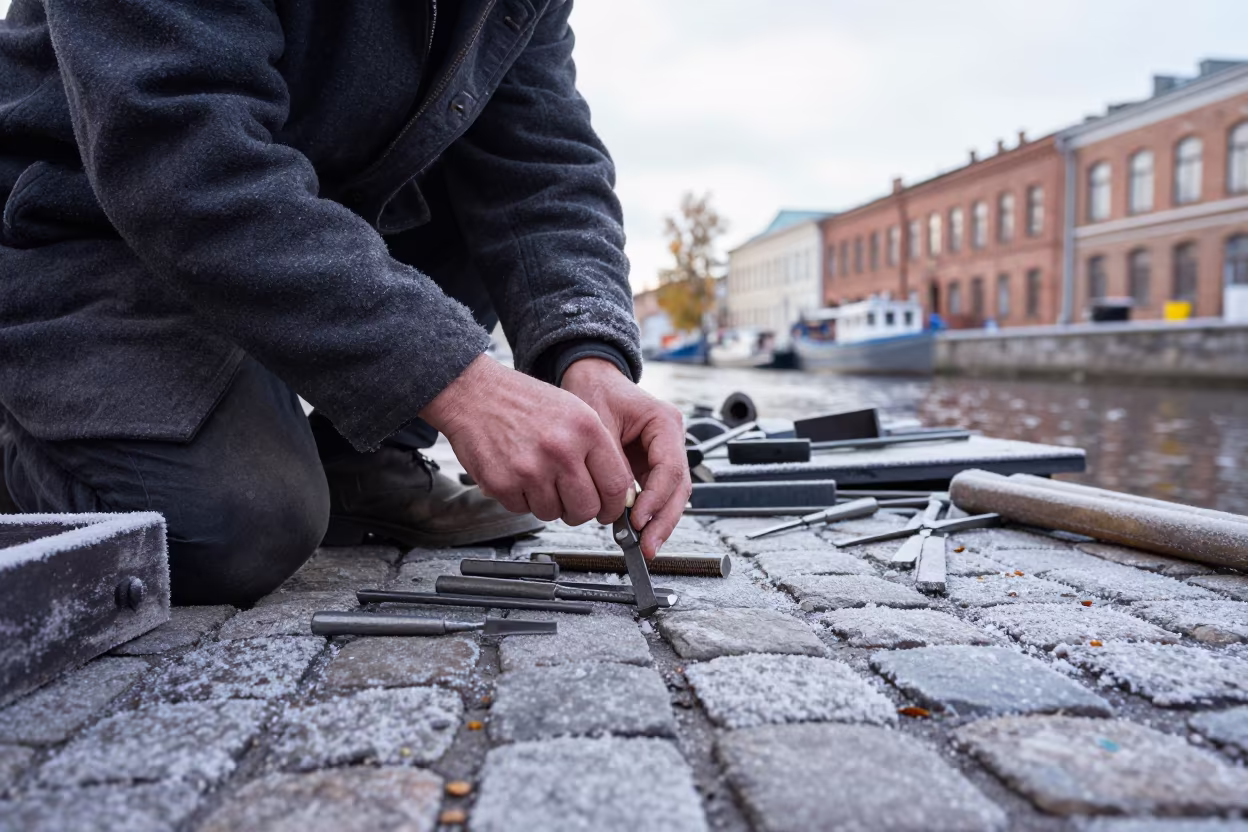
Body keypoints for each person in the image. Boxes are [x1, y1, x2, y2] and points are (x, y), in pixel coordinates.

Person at [0, 0, 690, 606]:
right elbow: (180, 152)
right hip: (77, 224)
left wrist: (588, 359)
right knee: (235, 525)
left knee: (470, 156)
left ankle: (362, 457)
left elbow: (543, 166)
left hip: (283, 222)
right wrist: (459, 383)